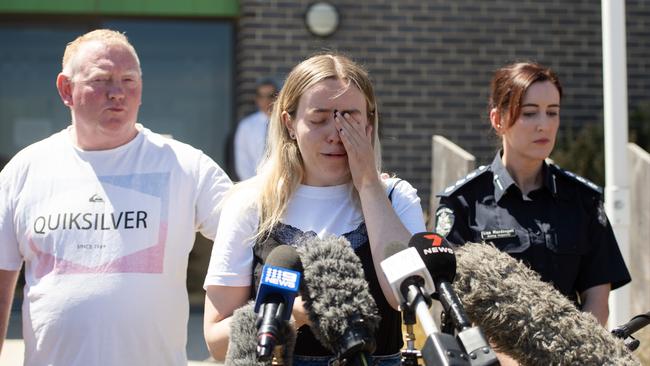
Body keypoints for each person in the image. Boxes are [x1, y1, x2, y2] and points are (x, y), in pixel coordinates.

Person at [0, 29, 232, 365]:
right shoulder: (25, 171)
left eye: (128, 80)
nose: (117, 93)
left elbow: (250, 235)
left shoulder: (185, 166)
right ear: (66, 89)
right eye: (102, 80)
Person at [203, 53, 426, 365]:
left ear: (370, 124)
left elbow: (408, 299)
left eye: (350, 118)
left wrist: (369, 185)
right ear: (290, 124)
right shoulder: (250, 203)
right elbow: (215, 341)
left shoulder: (396, 197)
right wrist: (291, 314)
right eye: (319, 119)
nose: (335, 134)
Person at [434, 61, 631, 327]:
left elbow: (597, 299)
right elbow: (453, 301)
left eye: (552, 112)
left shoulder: (583, 200)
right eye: (529, 113)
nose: (544, 125)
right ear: (498, 119)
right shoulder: (463, 202)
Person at [233, 79, 278, 180]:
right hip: (254, 184)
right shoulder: (246, 125)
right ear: (256, 98)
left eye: (270, 96)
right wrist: (253, 185)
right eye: (261, 96)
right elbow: (242, 161)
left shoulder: (285, 123)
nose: (266, 100)